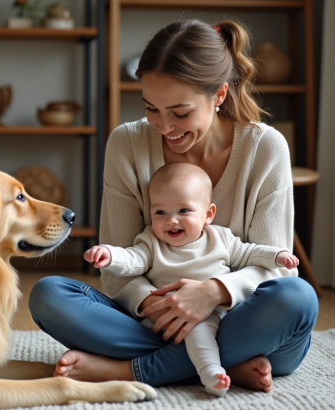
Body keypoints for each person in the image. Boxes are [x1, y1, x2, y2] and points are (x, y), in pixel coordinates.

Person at [29, 19, 318, 392]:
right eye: (151, 108)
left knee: (297, 298)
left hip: (240, 318)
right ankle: (222, 362)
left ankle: (130, 370)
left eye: (180, 112)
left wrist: (213, 292)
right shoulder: (127, 144)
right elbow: (119, 267)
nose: (164, 126)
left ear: (218, 95)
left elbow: (276, 268)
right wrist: (163, 308)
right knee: (49, 296)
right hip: (155, 319)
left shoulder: (265, 148)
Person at [83, 162, 300, 396]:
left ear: (208, 214)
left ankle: (210, 371)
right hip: (162, 315)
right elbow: (132, 259)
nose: (171, 220)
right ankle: (225, 366)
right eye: (160, 212)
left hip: (209, 312)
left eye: (183, 211)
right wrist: (109, 254)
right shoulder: (151, 241)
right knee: (123, 326)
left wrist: (277, 256)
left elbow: (250, 252)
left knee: (199, 331)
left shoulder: (221, 238)